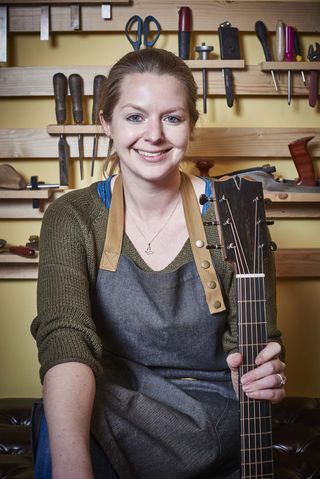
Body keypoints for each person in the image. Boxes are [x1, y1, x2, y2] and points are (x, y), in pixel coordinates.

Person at [31, 48, 286, 479]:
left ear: (190, 127)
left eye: (172, 117)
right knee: (64, 423)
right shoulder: (72, 216)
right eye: (134, 117)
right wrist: (71, 467)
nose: (153, 135)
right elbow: (66, 339)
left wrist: (266, 372)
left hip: (210, 419)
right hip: (107, 402)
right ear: (105, 123)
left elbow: (252, 348)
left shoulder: (235, 215)